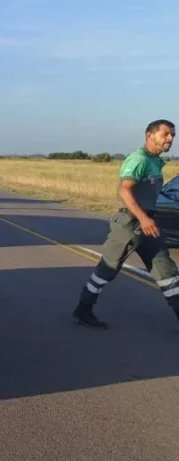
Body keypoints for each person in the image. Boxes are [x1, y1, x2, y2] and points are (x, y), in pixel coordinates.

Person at [73, 119, 179, 329]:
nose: (170, 139)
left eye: (173, 135)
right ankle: (83, 310)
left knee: (166, 271)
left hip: (149, 224)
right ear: (150, 136)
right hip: (131, 223)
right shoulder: (139, 159)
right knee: (108, 268)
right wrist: (143, 218)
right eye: (165, 134)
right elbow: (124, 190)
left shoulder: (155, 161)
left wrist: (148, 219)